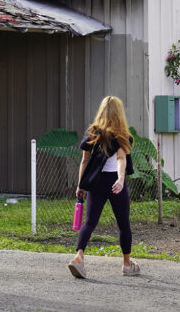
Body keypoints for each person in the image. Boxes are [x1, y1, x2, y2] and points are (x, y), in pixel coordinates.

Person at [68, 95, 139, 278]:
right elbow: (121, 159)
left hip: (96, 183)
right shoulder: (122, 134)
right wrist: (120, 179)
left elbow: (85, 161)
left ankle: (78, 257)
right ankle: (126, 265)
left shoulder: (94, 133)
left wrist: (81, 185)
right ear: (119, 113)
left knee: (90, 222)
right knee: (123, 224)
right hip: (115, 184)